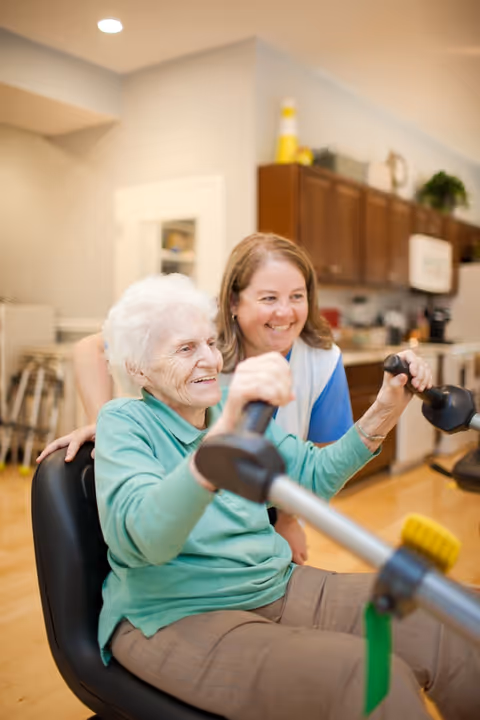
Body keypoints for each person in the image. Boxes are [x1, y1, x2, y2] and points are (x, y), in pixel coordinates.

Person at [92, 274, 478, 720]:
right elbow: (145, 538)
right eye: (185, 349)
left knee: (453, 614)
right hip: (175, 614)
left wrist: (388, 405)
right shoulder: (125, 422)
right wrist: (224, 435)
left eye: (211, 343)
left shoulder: (224, 407)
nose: (210, 360)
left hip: (275, 586)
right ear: (138, 368)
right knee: (369, 678)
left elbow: (312, 479)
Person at [37, 233, 354, 564]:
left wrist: (288, 521)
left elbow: (315, 463)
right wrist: (103, 422)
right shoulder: (200, 337)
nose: (285, 313)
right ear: (234, 302)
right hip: (191, 499)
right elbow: (93, 347)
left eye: (297, 296)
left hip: (270, 499)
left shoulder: (321, 361)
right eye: (268, 298)